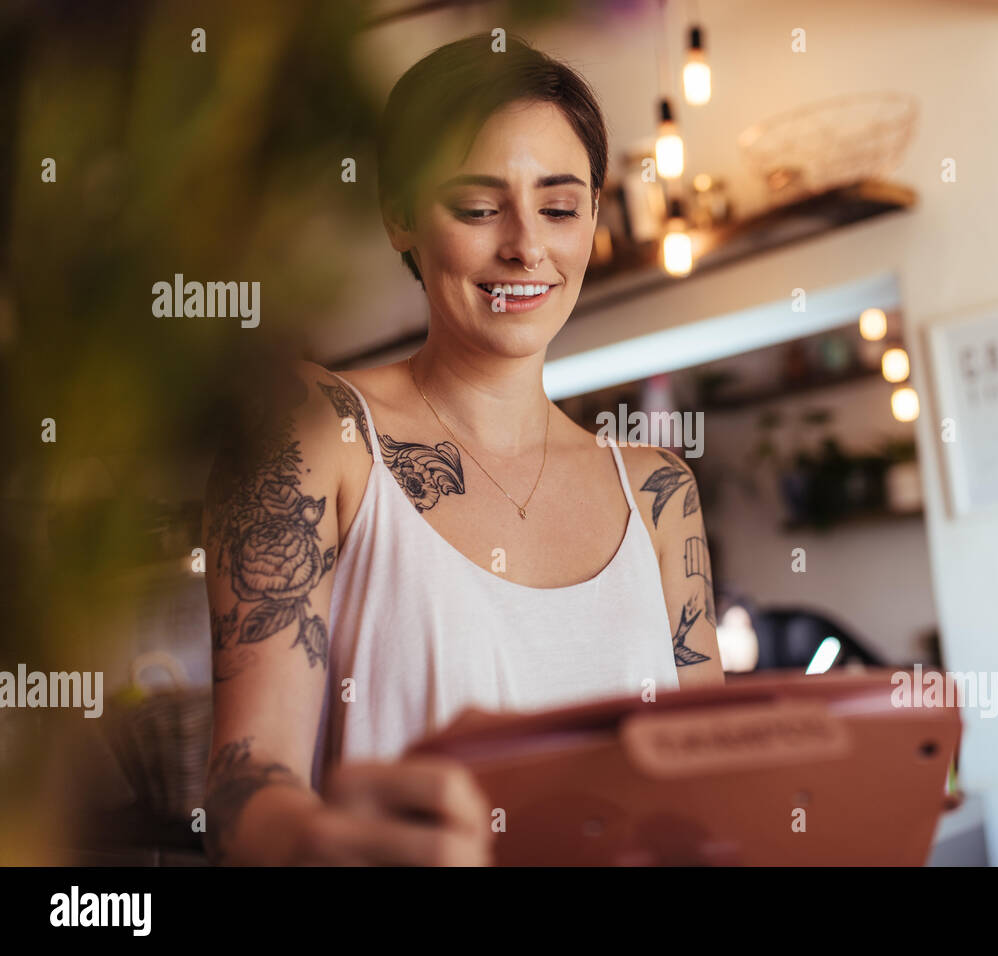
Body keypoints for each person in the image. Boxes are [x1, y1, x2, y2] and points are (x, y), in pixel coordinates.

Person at [199, 31, 724, 866]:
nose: (525, 245)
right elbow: (241, 784)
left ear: (594, 213)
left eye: (558, 207)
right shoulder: (318, 429)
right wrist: (313, 838)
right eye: (478, 208)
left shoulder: (659, 493)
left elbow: (714, 789)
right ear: (399, 215)